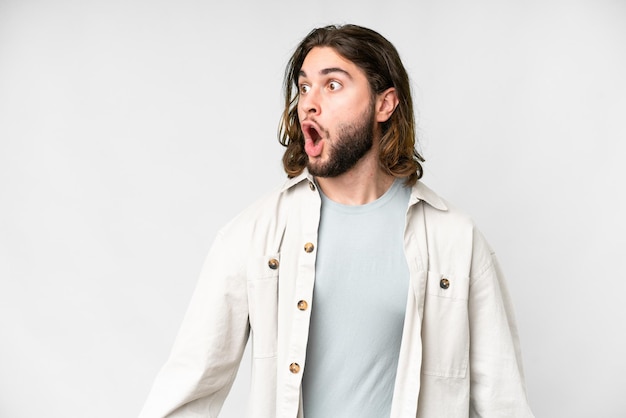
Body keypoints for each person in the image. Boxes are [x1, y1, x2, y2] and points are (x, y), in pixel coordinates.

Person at [139, 24, 534, 418]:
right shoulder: (254, 235)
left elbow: (503, 401)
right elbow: (187, 388)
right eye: (305, 87)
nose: (309, 103)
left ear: (384, 104)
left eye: (332, 85)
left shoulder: (456, 241)